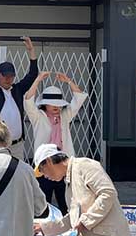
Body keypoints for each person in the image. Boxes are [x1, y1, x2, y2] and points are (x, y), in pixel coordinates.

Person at [24, 71, 88, 215]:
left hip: (63, 165)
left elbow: (79, 98)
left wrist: (68, 81)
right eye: (52, 104)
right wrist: (38, 80)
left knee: (67, 204)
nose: (56, 107)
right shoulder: (38, 117)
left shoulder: (65, 115)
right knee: (42, 206)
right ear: (44, 104)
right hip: (44, 166)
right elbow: (28, 101)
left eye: (58, 104)